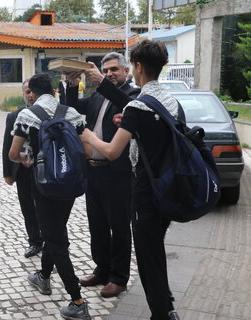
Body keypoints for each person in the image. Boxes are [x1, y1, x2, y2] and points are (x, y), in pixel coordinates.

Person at [80, 40, 181, 320]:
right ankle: (165, 306)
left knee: (147, 255)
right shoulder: (171, 100)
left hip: (142, 187)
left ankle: (162, 311)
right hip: (166, 185)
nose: (111, 73)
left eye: (117, 69)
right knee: (153, 252)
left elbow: (113, 152)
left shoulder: (137, 103)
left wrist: (89, 137)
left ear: (135, 67)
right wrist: (132, 129)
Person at [9, 73, 90, 320]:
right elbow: (85, 151)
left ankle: (77, 300)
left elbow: (13, 154)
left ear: (32, 93)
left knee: (55, 239)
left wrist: (27, 159)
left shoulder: (28, 114)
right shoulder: (71, 113)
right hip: (69, 184)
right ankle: (43, 277)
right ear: (54, 91)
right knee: (54, 230)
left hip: (42, 185)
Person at [66, 52, 140, 298]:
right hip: (94, 170)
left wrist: (101, 81)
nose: (109, 73)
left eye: (114, 70)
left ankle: (119, 277)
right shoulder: (99, 93)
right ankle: (102, 269)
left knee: (118, 226)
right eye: (105, 70)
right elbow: (75, 107)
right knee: (96, 224)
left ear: (127, 71)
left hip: (117, 173)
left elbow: (125, 105)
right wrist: (73, 86)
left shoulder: (132, 96)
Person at [2, 80, 43, 258]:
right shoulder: (13, 117)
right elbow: (7, 146)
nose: (30, 95)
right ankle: (34, 241)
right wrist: (7, 173)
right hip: (23, 171)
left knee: (45, 208)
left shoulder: (46, 115)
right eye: (27, 92)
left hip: (43, 170)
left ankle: (50, 239)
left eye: (33, 91)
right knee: (27, 207)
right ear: (23, 94)